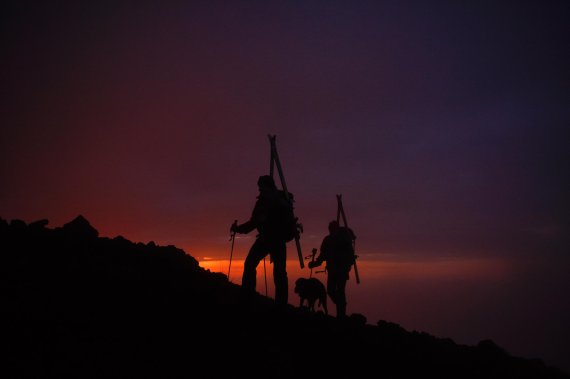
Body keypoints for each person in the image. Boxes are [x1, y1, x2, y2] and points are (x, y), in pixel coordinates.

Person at [231, 175, 293, 306]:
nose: (260, 190)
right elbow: (256, 222)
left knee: (252, 264)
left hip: (269, 239)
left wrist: (238, 229)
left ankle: (248, 295)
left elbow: (254, 223)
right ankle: (280, 305)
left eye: (261, 187)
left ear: (265, 186)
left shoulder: (267, 201)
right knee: (279, 273)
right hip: (277, 240)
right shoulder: (280, 199)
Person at [308, 220, 356, 318]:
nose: (331, 231)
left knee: (339, 291)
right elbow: (322, 257)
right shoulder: (328, 240)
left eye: (332, 229)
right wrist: (314, 264)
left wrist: (314, 264)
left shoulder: (342, 240)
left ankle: (341, 314)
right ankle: (341, 308)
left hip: (341, 270)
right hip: (335, 270)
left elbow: (349, 254)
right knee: (332, 291)